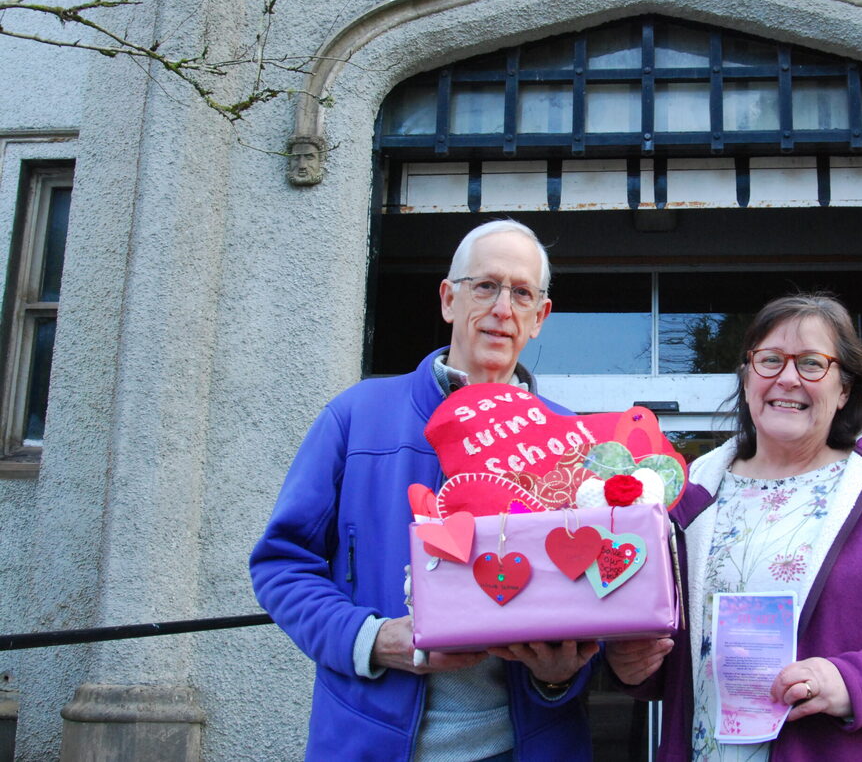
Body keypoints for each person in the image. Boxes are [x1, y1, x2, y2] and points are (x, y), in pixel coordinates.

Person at [251, 219, 600, 761]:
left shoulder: (572, 439)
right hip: (374, 743)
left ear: (540, 318)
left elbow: (595, 590)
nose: (502, 309)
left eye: (522, 293)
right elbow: (281, 564)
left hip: (528, 746)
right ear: (448, 299)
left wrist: (558, 677)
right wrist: (371, 639)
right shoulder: (356, 417)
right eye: (485, 286)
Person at [607, 293, 862, 761]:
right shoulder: (690, 496)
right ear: (747, 376)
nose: (787, 378)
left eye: (812, 363)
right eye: (769, 360)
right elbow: (666, 642)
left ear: (844, 389)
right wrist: (630, 665)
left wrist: (853, 681)